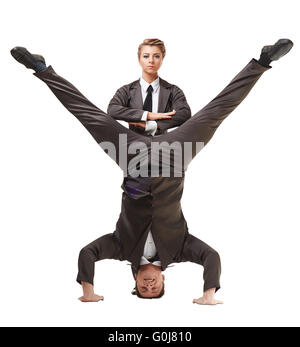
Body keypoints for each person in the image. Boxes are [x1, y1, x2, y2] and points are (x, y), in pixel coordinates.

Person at [10, 38, 293, 305]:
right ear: (162, 280)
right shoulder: (181, 250)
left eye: (143, 289)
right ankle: (263, 60)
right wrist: (208, 294)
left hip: (133, 159)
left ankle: (41, 69)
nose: (148, 285)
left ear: (135, 279)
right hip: (174, 158)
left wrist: (89, 292)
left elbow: (88, 253)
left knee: (89, 116)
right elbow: (211, 257)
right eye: (154, 288)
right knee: (216, 112)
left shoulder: (119, 247)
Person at [107, 38, 191, 137]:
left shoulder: (173, 90)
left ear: (162, 59)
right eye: (146, 56)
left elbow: (184, 114)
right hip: (132, 145)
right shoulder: (126, 90)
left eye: (156, 56)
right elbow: (112, 109)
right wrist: (146, 115)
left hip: (164, 145)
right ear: (139, 60)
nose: (151, 61)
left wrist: (152, 125)